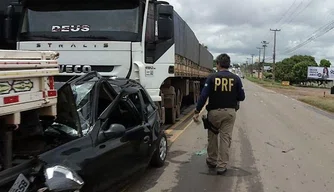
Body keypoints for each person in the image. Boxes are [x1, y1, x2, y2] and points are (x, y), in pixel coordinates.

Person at [193, 53, 245, 175]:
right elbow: (242, 97)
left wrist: (197, 111)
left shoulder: (212, 78)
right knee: (225, 138)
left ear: (218, 64)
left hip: (214, 113)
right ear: (228, 64)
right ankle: (222, 166)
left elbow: (203, 96)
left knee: (212, 137)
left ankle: (212, 160)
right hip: (230, 113)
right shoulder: (236, 79)